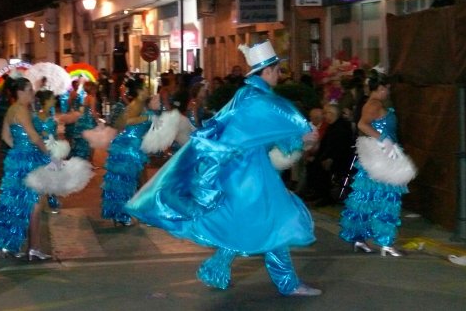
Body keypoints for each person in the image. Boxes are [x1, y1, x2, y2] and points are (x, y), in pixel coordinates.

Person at [125, 41, 321, 296]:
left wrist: (296, 134)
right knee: (270, 220)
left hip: (246, 170)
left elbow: (256, 129)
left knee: (256, 220)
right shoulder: (259, 100)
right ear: (268, 71)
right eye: (277, 70)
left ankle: (221, 268)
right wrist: (303, 133)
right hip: (248, 172)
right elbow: (283, 120)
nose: (279, 75)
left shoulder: (247, 95)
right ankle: (286, 283)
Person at [0, 77, 52, 261]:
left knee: (15, 203)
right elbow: (33, 136)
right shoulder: (21, 110)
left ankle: (7, 243)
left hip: (16, 160)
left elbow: (5, 136)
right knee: (34, 204)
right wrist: (48, 155)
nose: (33, 94)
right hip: (28, 161)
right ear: (21, 92)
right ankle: (34, 248)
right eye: (30, 90)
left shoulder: (11, 109)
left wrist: (18, 149)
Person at [339, 70, 408, 257]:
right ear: (380, 88)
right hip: (381, 156)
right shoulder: (375, 104)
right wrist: (383, 139)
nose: (388, 91)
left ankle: (359, 239)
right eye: (386, 88)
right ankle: (386, 243)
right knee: (388, 198)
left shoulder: (374, 103)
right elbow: (362, 125)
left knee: (366, 198)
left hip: (376, 156)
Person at [101, 76, 152, 227]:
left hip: (131, 146)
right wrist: (146, 118)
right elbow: (127, 121)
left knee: (131, 181)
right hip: (129, 148)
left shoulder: (139, 104)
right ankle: (123, 215)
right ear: (138, 91)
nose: (147, 91)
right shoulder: (136, 105)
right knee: (125, 182)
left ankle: (129, 213)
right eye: (144, 88)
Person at [33, 89, 61, 214]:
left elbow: (55, 136)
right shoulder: (38, 117)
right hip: (42, 150)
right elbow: (35, 135)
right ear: (47, 101)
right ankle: (39, 203)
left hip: (52, 150)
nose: (55, 101)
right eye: (52, 98)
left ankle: (52, 202)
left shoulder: (50, 116)